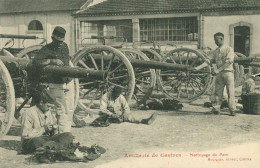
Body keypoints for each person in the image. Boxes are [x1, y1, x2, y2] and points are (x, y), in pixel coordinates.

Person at [33, 26, 74, 133]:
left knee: (69, 109)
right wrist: (52, 61)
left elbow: (67, 62)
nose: (60, 43)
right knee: (61, 110)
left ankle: (66, 132)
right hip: (56, 83)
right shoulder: (47, 49)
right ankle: (62, 134)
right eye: (58, 41)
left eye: (62, 41)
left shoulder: (65, 46)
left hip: (68, 80)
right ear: (52, 38)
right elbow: (36, 62)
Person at [195, 32, 236, 116]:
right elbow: (208, 61)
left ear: (221, 39)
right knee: (217, 92)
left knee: (230, 92)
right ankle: (216, 109)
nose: (215, 42)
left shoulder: (229, 49)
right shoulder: (216, 51)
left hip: (228, 73)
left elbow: (229, 62)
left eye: (216, 40)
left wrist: (218, 69)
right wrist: (197, 68)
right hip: (219, 74)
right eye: (214, 40)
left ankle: (232, 110)